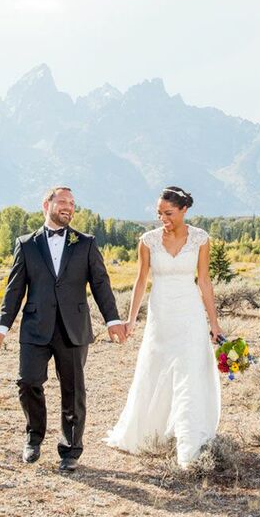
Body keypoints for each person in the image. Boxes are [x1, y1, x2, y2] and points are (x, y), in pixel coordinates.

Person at [0, 187, 127, 472]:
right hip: (35, 328)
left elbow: (100, 283)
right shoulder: (26, 244)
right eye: (63, 202)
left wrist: (112, 320)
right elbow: (14, 289)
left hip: (73, 328)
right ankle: (34, 436)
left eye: (72, 203)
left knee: (73, 390)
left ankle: (70, 450)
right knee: (28, 382)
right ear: (46, 204)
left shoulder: (86, 243)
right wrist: (2, 325)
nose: (68, 207)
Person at [104, 186, 222, 468]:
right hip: (161, 315)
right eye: (159, 213)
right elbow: (141, 280)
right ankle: (152, 430)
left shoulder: (201, 239)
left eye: (168, 213)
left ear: (184, 210)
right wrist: (131, 319)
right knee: (156, 369)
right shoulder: (148, 241)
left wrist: (214, 323)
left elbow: (204, 281)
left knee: (189, 373)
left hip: (190, 314)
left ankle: (188, 441)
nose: (163, 218)